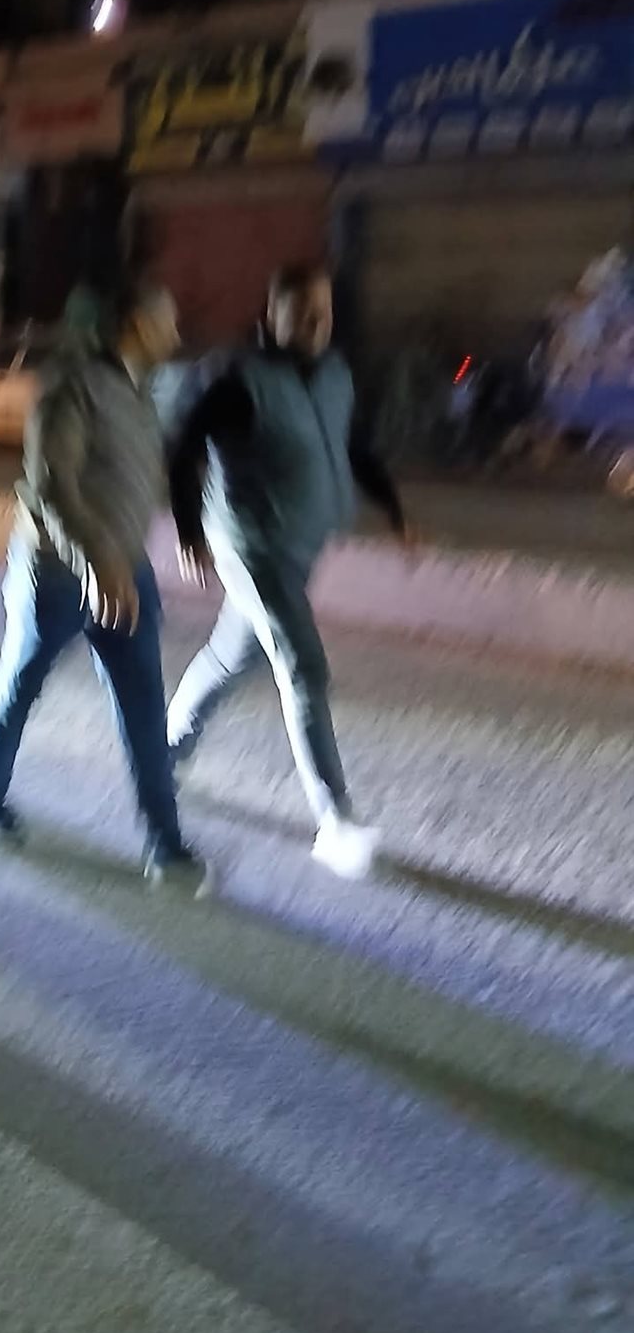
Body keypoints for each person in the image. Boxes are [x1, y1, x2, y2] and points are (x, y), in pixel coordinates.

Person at [0, 279, 208, 887]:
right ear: (138, 325)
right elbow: (51, 486)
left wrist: (170, 534)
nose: (176, 334)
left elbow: (146, 469)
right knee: (22, 682)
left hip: (126, 571)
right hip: (56, 574)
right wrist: (96, 558)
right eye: (167, 321)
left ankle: (165, 844)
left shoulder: (140, 389)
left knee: (144, 703)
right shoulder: (71, 388)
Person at [166, 260, 411, 880]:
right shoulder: (240, 380)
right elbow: (185, 445)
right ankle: (335, 821)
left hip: (297, 547)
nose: (315, 324)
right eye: (301, 314)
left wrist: (393, 507)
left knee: (231, 657)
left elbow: (351, 446)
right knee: (303, 665)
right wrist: (190, 529)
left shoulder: (333, 377)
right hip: (251, 546)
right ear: (272, 316)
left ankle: (161, 756)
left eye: (322, 313)